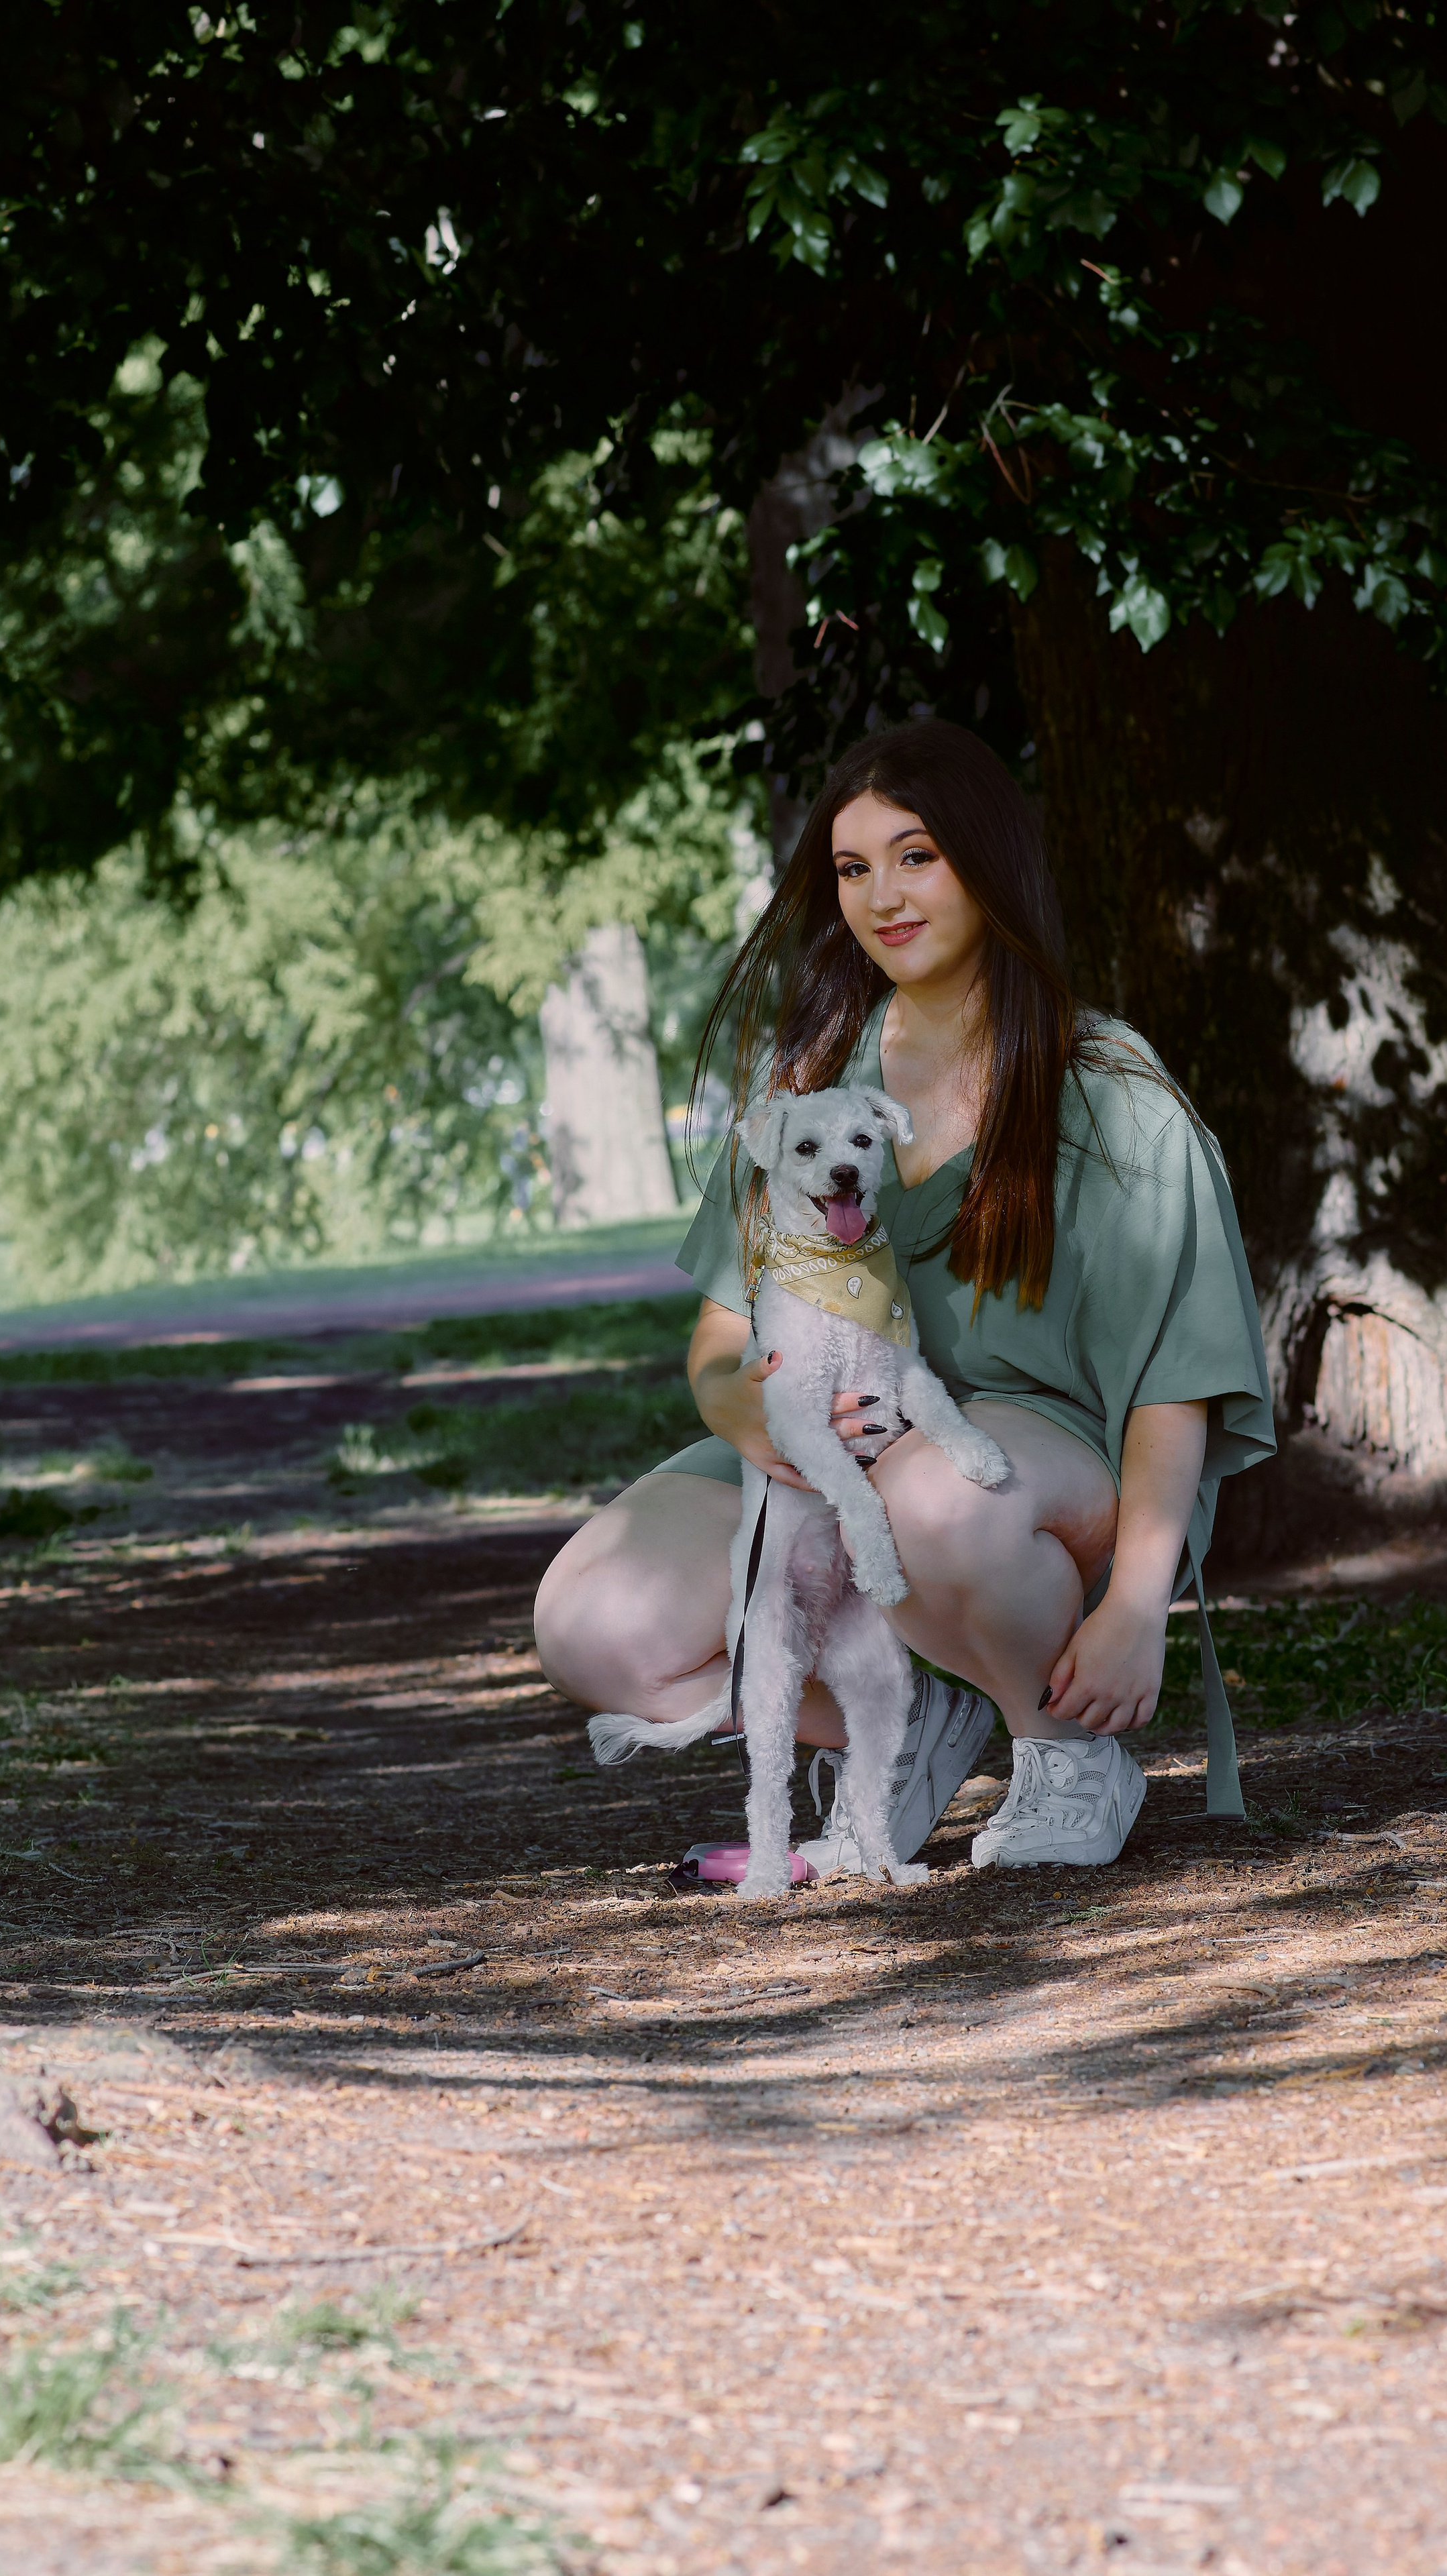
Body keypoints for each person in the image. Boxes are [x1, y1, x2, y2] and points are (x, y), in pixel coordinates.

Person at [534, 718, 1275, 1872]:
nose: (882, 895)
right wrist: (747, 1414)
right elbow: (721, 1336)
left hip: (1037, 1472)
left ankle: (1064, 1752)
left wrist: (1136, 1603)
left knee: (932, 1496)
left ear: (988, 862)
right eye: (853, 867)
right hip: (827, 1447)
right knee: (591, 1617)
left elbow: (1176, 1381)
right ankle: (905, 1724)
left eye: (916, 855)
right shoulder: (811, 1088)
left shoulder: (1108, 1090)